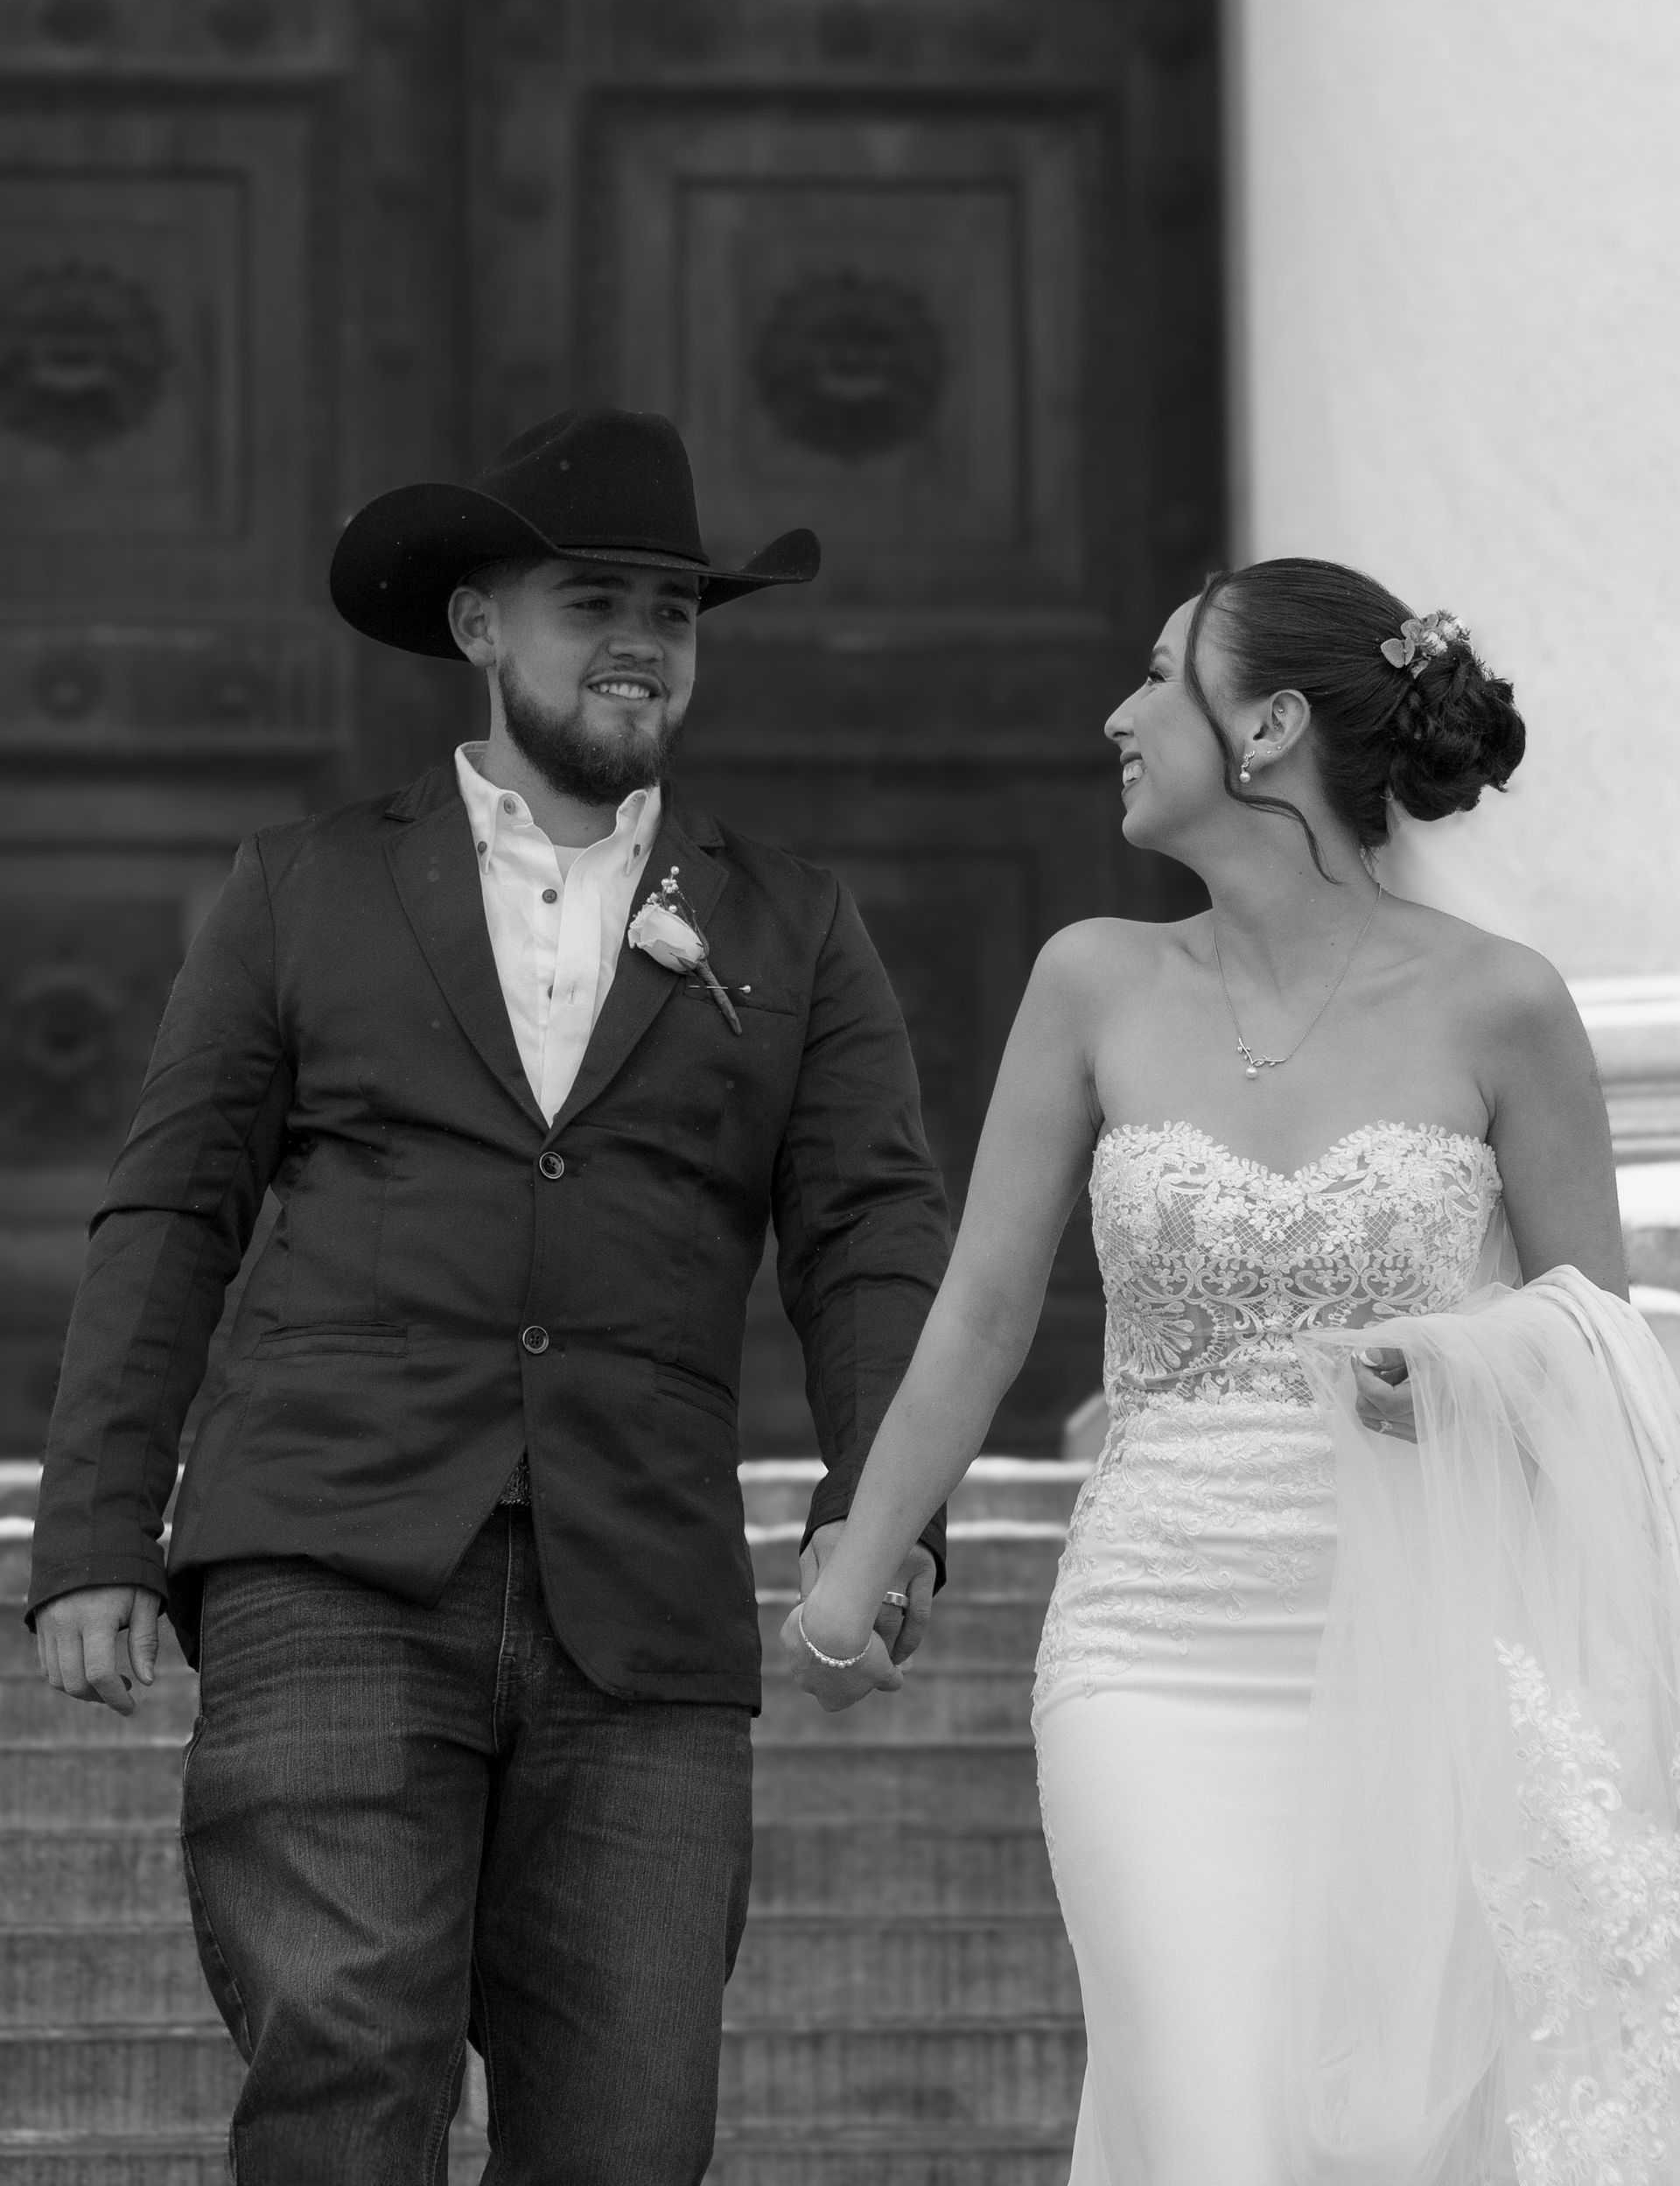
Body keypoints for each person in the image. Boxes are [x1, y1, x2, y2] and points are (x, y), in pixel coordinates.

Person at [26, 407, 951, 2185]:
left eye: (671, 609)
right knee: (344, 2074)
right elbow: (170, 1211)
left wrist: (881, 1507)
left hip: (647, 1601)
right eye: (591, 596)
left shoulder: (797, 922)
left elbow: (868, 1233)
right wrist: (90, 1537)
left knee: (630, 2131)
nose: (639, 640)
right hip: (334, 1554)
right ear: (477, 626)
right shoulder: (299, 886)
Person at [784, 558, 1654, 2183]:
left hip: (1411, 1659)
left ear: (1266, 725)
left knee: (1382, 2139)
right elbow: (979, 1309)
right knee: (1206, 2126)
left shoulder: (1504, 1005)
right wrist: (864, 1546)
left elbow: (1596, 1352)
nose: (1117, 713)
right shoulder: (1092, 979)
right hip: (1152, 1654)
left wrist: (1462, 1368)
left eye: (1160, 674)